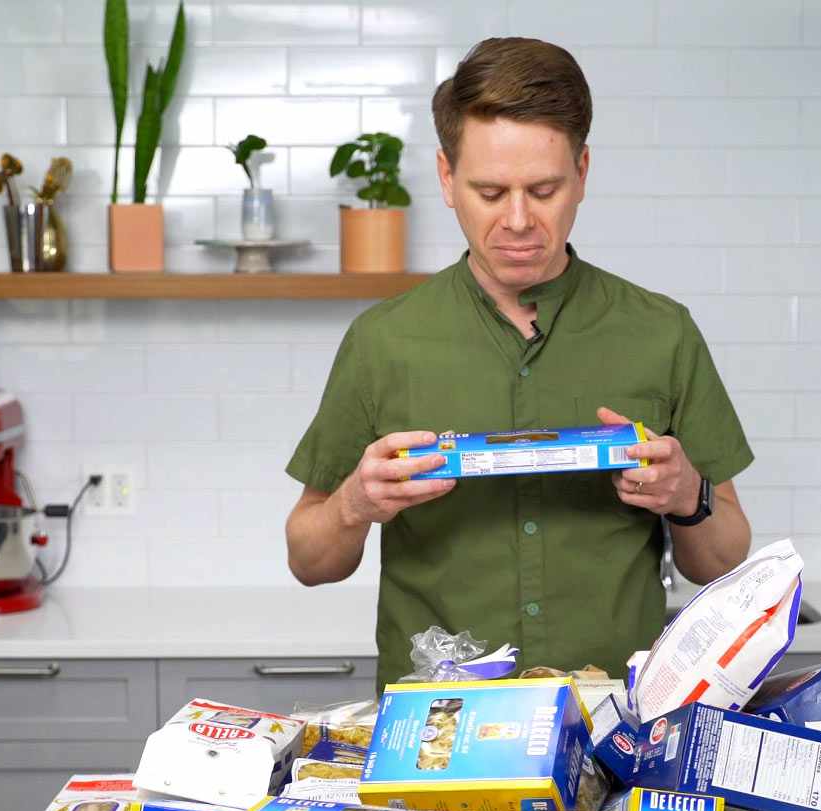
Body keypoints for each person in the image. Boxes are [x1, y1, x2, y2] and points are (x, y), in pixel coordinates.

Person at [285, 37, 755, 686]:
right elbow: (309, 560)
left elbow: (724, 554)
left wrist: (687, 496)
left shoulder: (662, 333)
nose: (517, 220)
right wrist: (352, 504)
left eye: (543, 189)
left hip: (617, 728)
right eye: (489, 190)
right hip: (437, 731)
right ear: (448, 180)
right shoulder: (381, 342)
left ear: (583, 174)